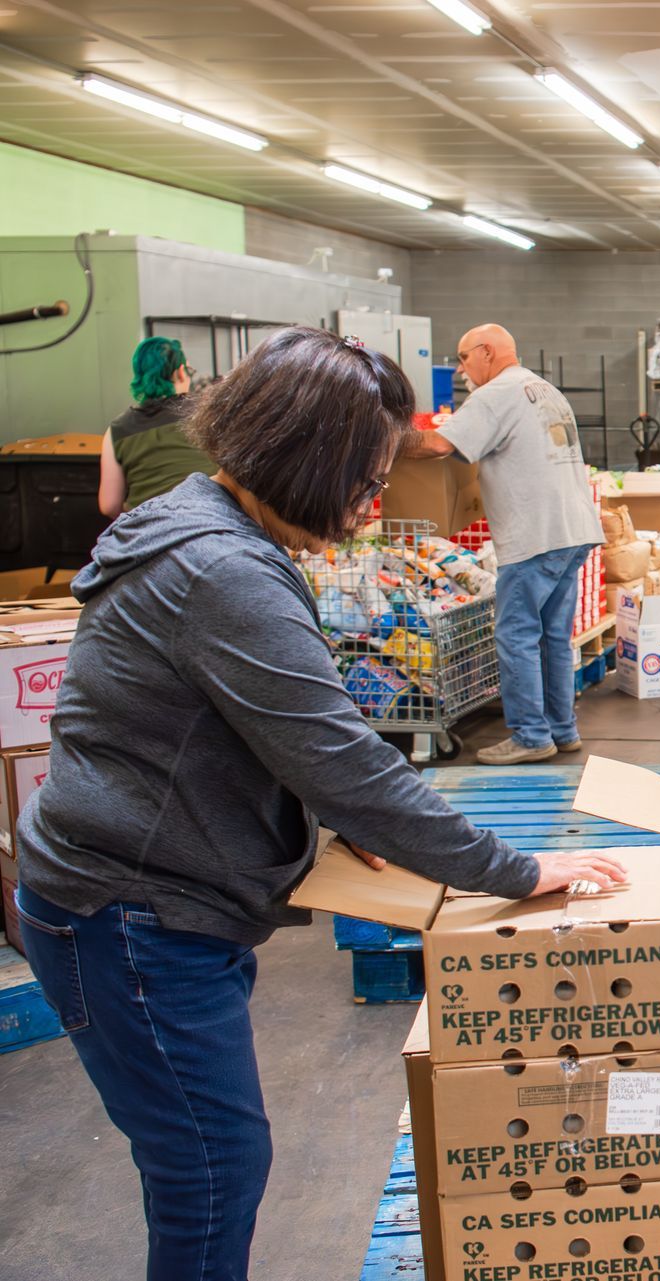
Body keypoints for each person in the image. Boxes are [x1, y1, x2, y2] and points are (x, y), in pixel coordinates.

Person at [13, 326, 625, 1281]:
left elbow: (257, 720)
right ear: (305, 458)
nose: (371, 501)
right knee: (212, 1165)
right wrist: (519, 869)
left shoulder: (204, 519)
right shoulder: (222, 571)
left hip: (156, 893)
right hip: (129, 912)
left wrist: (328, 817)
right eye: (364, 475)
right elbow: (342, 755)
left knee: (207, 1155)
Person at [399, 323, 604, 764]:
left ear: (487, 352)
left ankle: (531, 736)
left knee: (516, 635)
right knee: (552, 634)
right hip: (572, 530)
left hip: (534, 535)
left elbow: (437, 444)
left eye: (463, 357)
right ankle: (561, 729)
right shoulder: (542, 388)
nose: (460, 369)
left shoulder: (496, 394)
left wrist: (380, 441)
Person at [98, 335, 216, 518]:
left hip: (147, 532)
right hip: (210, 524)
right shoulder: (209, 414)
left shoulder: (116, 429)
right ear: (181, 372)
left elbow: (109, 505)